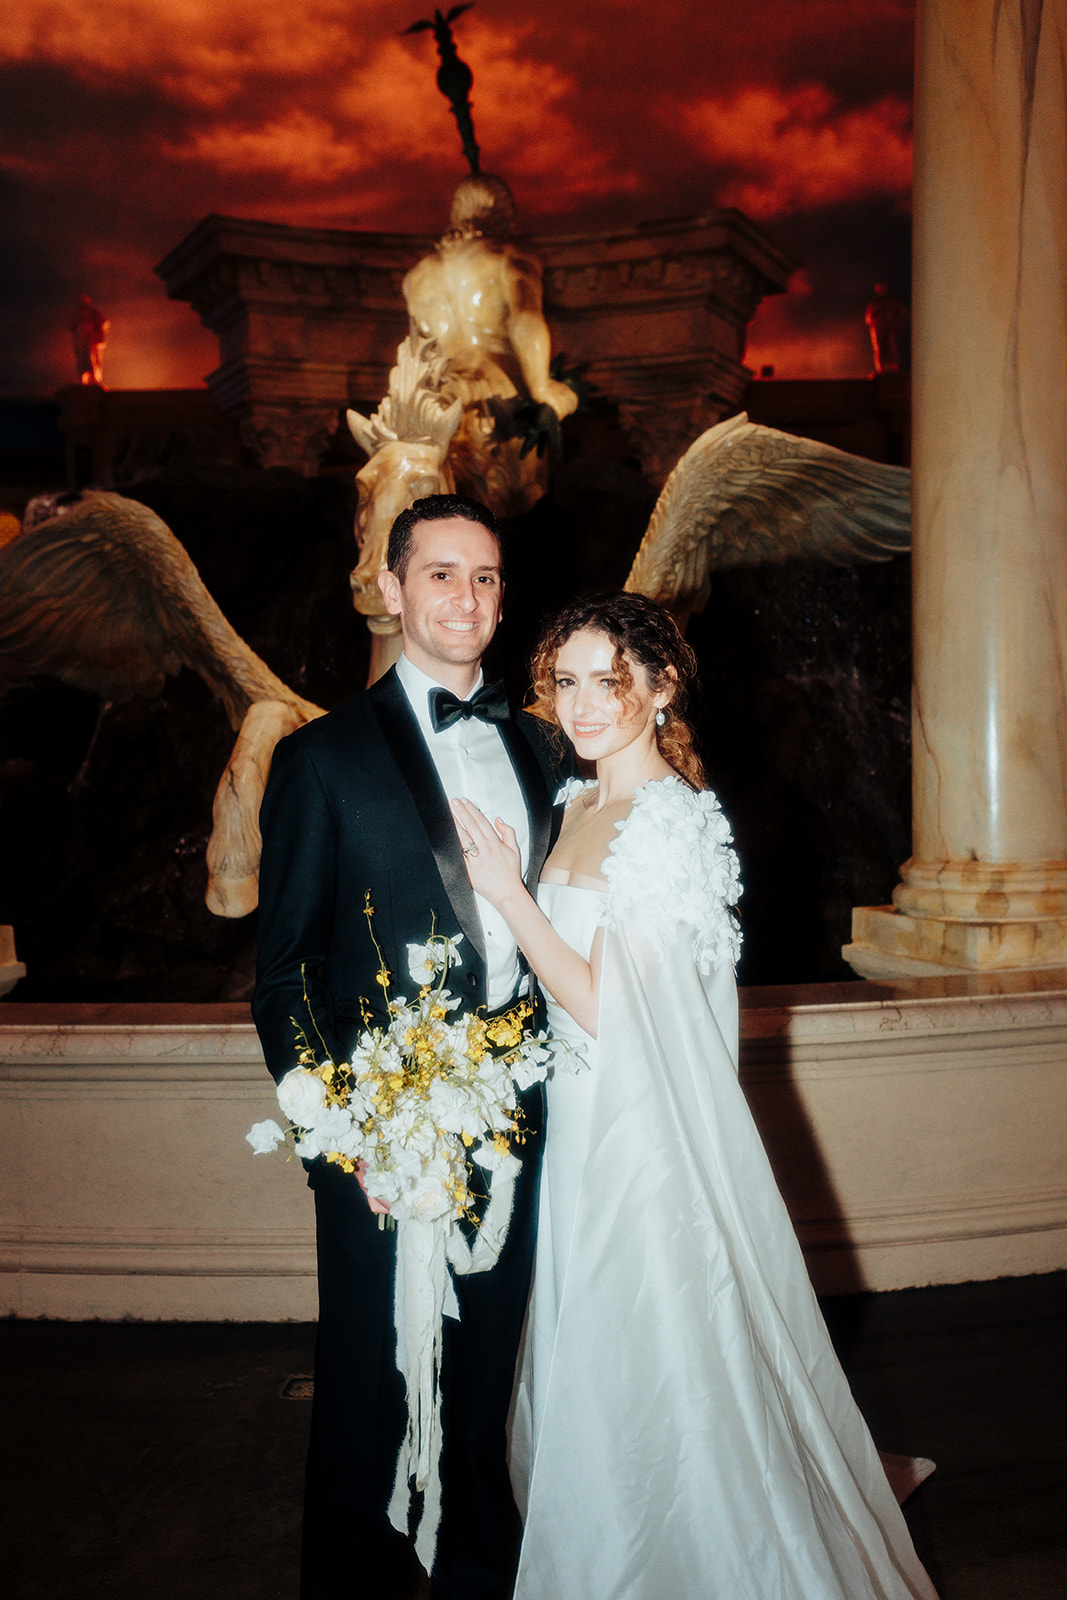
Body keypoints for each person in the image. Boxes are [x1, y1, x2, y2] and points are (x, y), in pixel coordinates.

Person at [451, 592, 939, 1600]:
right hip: (577, 1121)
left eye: (607, 682)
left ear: (660, 686)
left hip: (638, 1133)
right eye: (567, 682)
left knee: (649, 1342)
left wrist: (506, 894)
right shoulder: (578, 803)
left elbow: (603, 1004)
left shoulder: (669, 821)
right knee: (596, 1360)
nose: (582, 706)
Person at [252, 493, 558, 1600]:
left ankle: (480, 1580)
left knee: (483, 1389)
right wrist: (341, 1144)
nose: (464, 598)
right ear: (390, 588)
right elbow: (282, 972)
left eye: (482, 577)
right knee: (371, 1396)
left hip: (518, 1125)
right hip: (381, 1134)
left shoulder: (539, 749)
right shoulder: (320, 759)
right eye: (439, 574)